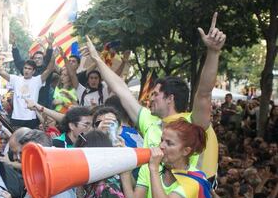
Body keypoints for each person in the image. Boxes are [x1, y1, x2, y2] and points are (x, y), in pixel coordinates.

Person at [81, 12, 226, 182]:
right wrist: (97, 60)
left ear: (170, 98)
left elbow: (203, 93)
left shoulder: (193, 124)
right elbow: (121, 88)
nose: (150, 98)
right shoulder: (149, 120)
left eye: (156, 94)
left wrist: (213, 52)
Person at [0, 53, 56, 129]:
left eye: (29, 69)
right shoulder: (15, 79)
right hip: (16, 119)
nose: (26, 70)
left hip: (31, 119)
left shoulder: (38, 80)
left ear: (33, 71)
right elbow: (0, 71)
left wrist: (53, 56)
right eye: (25, 68)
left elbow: (49, 70)